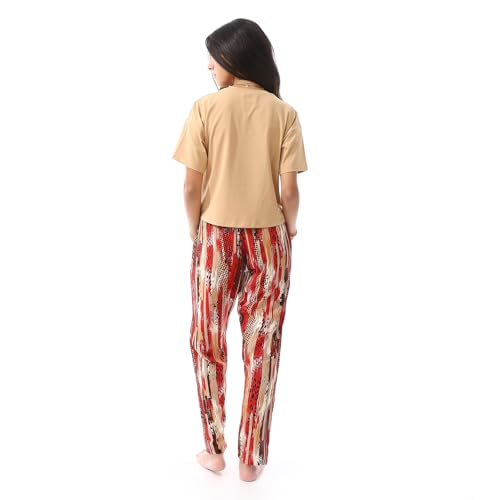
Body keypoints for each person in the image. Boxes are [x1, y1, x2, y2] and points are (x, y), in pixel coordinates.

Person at [171, 18, 308, 482]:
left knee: (206, 341)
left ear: (234, 57)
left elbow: (190, 187)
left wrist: (196, 232)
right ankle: (251, 459)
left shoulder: (205, 109)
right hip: (270, 239)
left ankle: (214, 450)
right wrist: (290, 229)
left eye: (214, 57)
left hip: (215, 236)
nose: (209, 66)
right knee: (263, 345)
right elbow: (290, 192)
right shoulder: (284, 113)